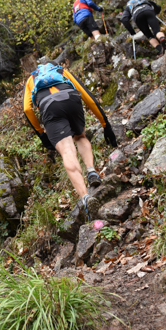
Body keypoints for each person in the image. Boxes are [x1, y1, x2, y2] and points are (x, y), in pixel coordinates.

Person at [23, 63, 118, 220]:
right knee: (80, 136)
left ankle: (86, 197)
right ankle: (91, 171)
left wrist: (41, 134)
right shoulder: (61, 71)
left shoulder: (31, 79)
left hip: (49, 106)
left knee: (67, 150)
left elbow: (27, 109)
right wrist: (105, 123)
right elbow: (87, 96)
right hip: (70, 99)